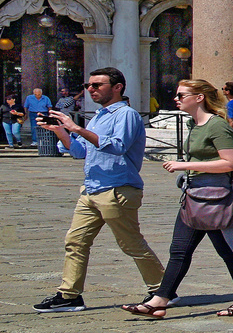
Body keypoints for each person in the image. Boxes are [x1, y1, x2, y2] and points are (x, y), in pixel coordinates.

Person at [32, 67, 164, 314]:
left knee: (131, 244)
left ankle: (162, 289)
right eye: (88, 85)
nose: (90, 89)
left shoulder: (126, 115)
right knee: (75, 241)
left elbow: (117, 146)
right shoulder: (98, 117)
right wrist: (60, 130)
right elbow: (79, 151)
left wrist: (77, 128)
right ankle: (69, 295)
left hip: (118, 189)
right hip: (91, 189)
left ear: (117, 87)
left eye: (97, 85)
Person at [122, 79, 233, 318]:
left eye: (181, 95)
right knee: (179, 250)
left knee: (229, 252)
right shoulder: (194, 124)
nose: (176, 98)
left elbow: (232, 163)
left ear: (199, 98)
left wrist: (185, 165)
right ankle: (159, 301)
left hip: (215, 197)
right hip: (193, 194)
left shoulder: (216, 126)